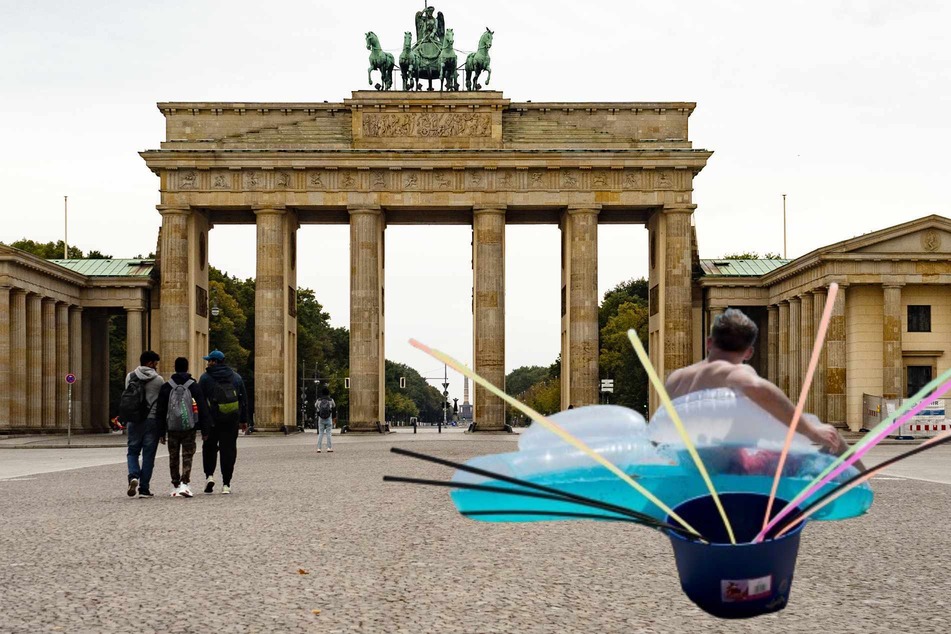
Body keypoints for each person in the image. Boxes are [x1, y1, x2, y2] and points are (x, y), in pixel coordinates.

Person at [664, 308, 849, 457]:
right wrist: (812, 432)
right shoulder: (732, 371)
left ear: (709, 343)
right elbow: (758, 387)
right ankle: (864, 496)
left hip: (689, 465)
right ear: (749, 352)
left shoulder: (676, 378)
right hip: (731, 468)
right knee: (833, 437)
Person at [155, 357, 212, 498]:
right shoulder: (194, 386)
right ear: (187, 368)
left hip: (172, 427)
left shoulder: (167, 386)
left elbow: (160, 410)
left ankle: (175, 484)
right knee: (187, 455)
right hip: (189, 427)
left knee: (173, 456)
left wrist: (161, 432)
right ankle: (185, 484)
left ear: (175, 367)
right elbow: (203, 409)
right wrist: (205, 430)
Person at [199, 350, 249, 495]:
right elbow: (243, 400)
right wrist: (243, 420)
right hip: (231, 420)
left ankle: (209, 476)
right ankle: (226, 483)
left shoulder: (205, 378)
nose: (208, 363)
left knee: (209, 448)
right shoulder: (236, 377)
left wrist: (202, 422)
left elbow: (201, 401)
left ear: (214, 361)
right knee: (228, 450)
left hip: (212, 420)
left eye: (209, 360)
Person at [122, 351, 164, 498]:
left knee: (132, 451)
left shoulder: (130, 376)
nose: (156, 366)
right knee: (148, 455)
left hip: (134, 420)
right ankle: (144, 488)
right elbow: (161, 404)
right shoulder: (159, 380)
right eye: (155, 363)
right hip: (151, 420)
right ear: (150, 363)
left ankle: (133, 476)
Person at [315, 387, 336, 453]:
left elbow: (316, 406)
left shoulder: (319, 400)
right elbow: (334, 406)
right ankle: (329, 447)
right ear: (328, 393)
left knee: (320, 433)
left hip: (321, 418)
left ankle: (319, 448)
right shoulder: (331, 400)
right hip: (328, 418)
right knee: (328, 433)